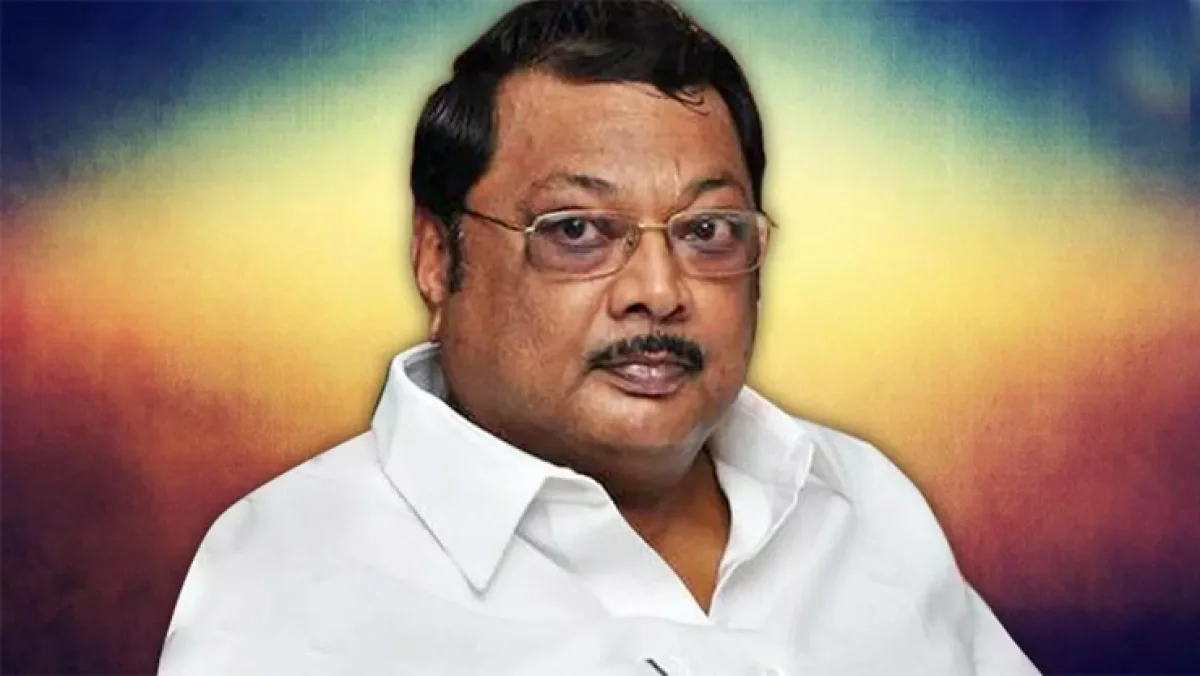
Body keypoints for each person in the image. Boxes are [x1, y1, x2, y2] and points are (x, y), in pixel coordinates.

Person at [158, 1, 1039, 674]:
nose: (658, 291)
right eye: (577, 230)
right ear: (437, 257)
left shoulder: (857, 498)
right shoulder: (292, 570)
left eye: (707, 232)